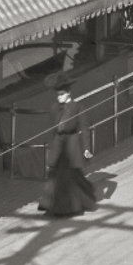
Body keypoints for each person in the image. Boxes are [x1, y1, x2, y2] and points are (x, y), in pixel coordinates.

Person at [40, 84, 98, 217]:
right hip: (58, 146)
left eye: (62, 94)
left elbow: (84, 128)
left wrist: (86, 149)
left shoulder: (78, 107)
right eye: (58, 95)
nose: (59, 97)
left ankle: (69, 208)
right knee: (56, 177)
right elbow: (52, 129)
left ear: (68, 94)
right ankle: (54, 207)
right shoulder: (55, 108)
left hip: (71, 146)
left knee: (68, 177)